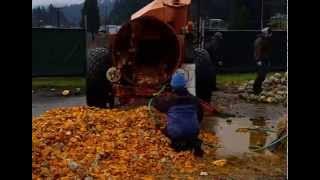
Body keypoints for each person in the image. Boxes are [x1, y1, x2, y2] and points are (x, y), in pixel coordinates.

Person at [153, 72, 204, 157]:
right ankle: (193, 143)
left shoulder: (169, 100)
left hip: (176, 132)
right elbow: (200, 115)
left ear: (172, 85)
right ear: (184, 85)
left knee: (160, 130)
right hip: (194, 131)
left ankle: (177, 145)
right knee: (189, 132)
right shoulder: (194, 99)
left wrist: (156, 97)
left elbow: (157, 105)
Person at [253, 27, 272, 95]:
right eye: (269, 33)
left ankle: (259, 88)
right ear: (265, 33)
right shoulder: (259, 40)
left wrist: (268, 60)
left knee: (263, 75)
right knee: (260, 75)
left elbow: (267, 51)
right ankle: (256, 89)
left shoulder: (266, 40)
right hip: (260, 59)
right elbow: (257, 51)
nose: (270, 35)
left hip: (265, 59)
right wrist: (258, 60)